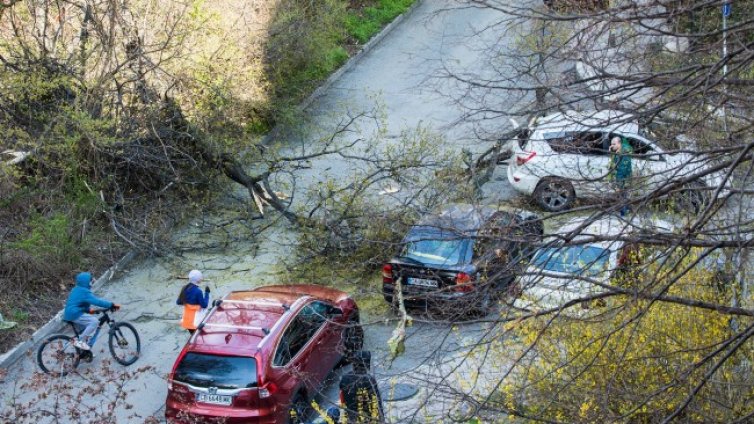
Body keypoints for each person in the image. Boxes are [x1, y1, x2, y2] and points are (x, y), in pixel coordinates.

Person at [63, 272, 119, 351]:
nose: (92, 282)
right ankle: (81, 342)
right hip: (75, 314)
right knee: (94, 321)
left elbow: (78, 303)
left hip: (71, 313)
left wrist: (90, 310)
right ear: (86, 282)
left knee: (88, 330)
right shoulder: (84, 291)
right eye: (90, 280)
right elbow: (97, 301)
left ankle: (85, 352)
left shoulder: (77, 289)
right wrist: (111, 304)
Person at [339, 350, 384, 424]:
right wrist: (382, 420)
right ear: (366, 363)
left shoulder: (344, 378)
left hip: (350, 418)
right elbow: (377, 402)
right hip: (367, 419)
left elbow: (342, 399)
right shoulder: (369, 380)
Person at [176, 269, 210, 335]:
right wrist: (207, 293)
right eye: (201, 277)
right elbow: (204, 305)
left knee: (193, 336)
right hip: (196, 321)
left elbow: (178, 302)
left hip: (187, 321)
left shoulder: (184, 288)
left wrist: (189, 305)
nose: (202, 278)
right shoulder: (198, 291)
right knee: (199, 336)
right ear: (198, 280)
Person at [609, 136, 633, 216]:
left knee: (622, 196)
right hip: (622, 177)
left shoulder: (624, 152)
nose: (612, 146)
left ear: (619, 143)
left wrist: (619, 185)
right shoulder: (618, 151)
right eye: (611, 144)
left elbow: (622, 169)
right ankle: (627, 210)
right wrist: (612, 153)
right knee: (624, 196)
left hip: (624, 178)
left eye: (614, 144)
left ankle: (624, 214)